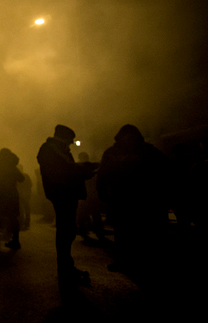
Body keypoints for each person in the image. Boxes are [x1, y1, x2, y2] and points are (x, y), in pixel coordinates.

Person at [97, 124, 167, 279]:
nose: (129, 139)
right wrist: (102, 193)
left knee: (142, 231)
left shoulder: (148, 151)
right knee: (123, 231)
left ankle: (143, 261)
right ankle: (124, 260)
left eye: (131, 136)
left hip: (144, 198)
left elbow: (164, 171)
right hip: (122, 198)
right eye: (126, 136)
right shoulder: (112, 153)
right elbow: (103, 175)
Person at [37, 125, 98, 296]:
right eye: (70, 141)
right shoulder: (52, 150)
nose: (71, 144)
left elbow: (66, 168)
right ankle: (65, 268)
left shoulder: (53, 149)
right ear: (64, 138)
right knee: (66, 232)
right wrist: (86, 169)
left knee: (67, 231)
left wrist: (84, 168)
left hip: (63, 193)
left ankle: (66, 266)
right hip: (63, 193)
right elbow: (66, 170)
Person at [0, 148, 24, 249]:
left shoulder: (2, 166)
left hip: (1, 195)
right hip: (12, 195)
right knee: (12, 218)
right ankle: (15, 240)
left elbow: (1, 183)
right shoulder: (13, 167)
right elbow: (21, 179)